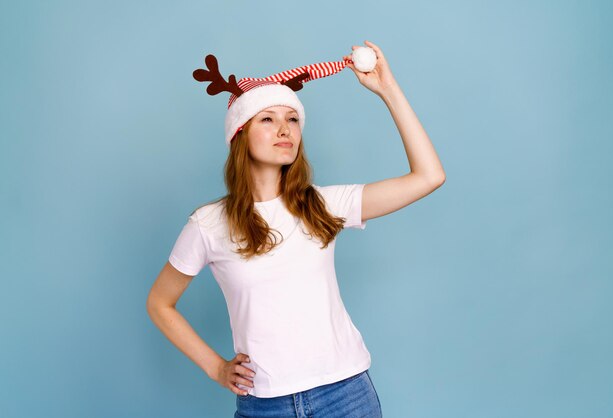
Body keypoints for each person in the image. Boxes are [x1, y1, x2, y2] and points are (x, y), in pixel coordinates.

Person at [146, 40, 445, 417]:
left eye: (291, 119)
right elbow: (159, 303)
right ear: (240, 132)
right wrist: (217, 367)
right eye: (267, 119)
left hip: (346, 396)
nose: (284, 129)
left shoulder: (323, 205)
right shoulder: (209, 225)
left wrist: (388, 90)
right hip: (264, 405)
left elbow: (429, 176)